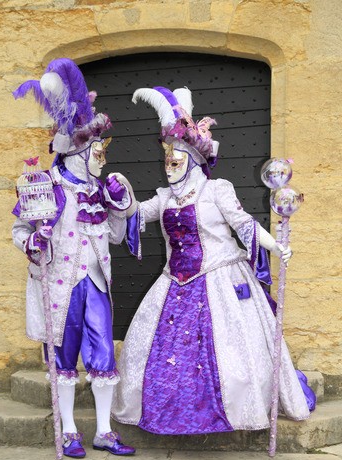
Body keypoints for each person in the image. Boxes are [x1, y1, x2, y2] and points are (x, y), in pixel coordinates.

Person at [111, 85, 315, 435]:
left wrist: (277, 247)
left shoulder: (217, 189)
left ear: (193, 160)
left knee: (233, 357)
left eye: (176, 160)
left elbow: (244, 224)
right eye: (166, 161)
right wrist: (120, 196)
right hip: (173, 283)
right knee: (155, 358)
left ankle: (236, 409)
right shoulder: (164, 198)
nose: (169, 167)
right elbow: (136, 215)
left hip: (221, 279)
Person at [12, 58, 135, 457]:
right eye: (98, 148)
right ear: (78, 151)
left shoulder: (101, 190)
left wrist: (120, 208)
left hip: (96, 283)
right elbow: (20, 233)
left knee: (102, 356)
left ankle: (103, 430)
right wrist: (37, 240)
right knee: (64, 358)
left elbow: (115, 236)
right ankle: (68, 431)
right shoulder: (45, 187)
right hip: (61, 284)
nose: (103, 155)